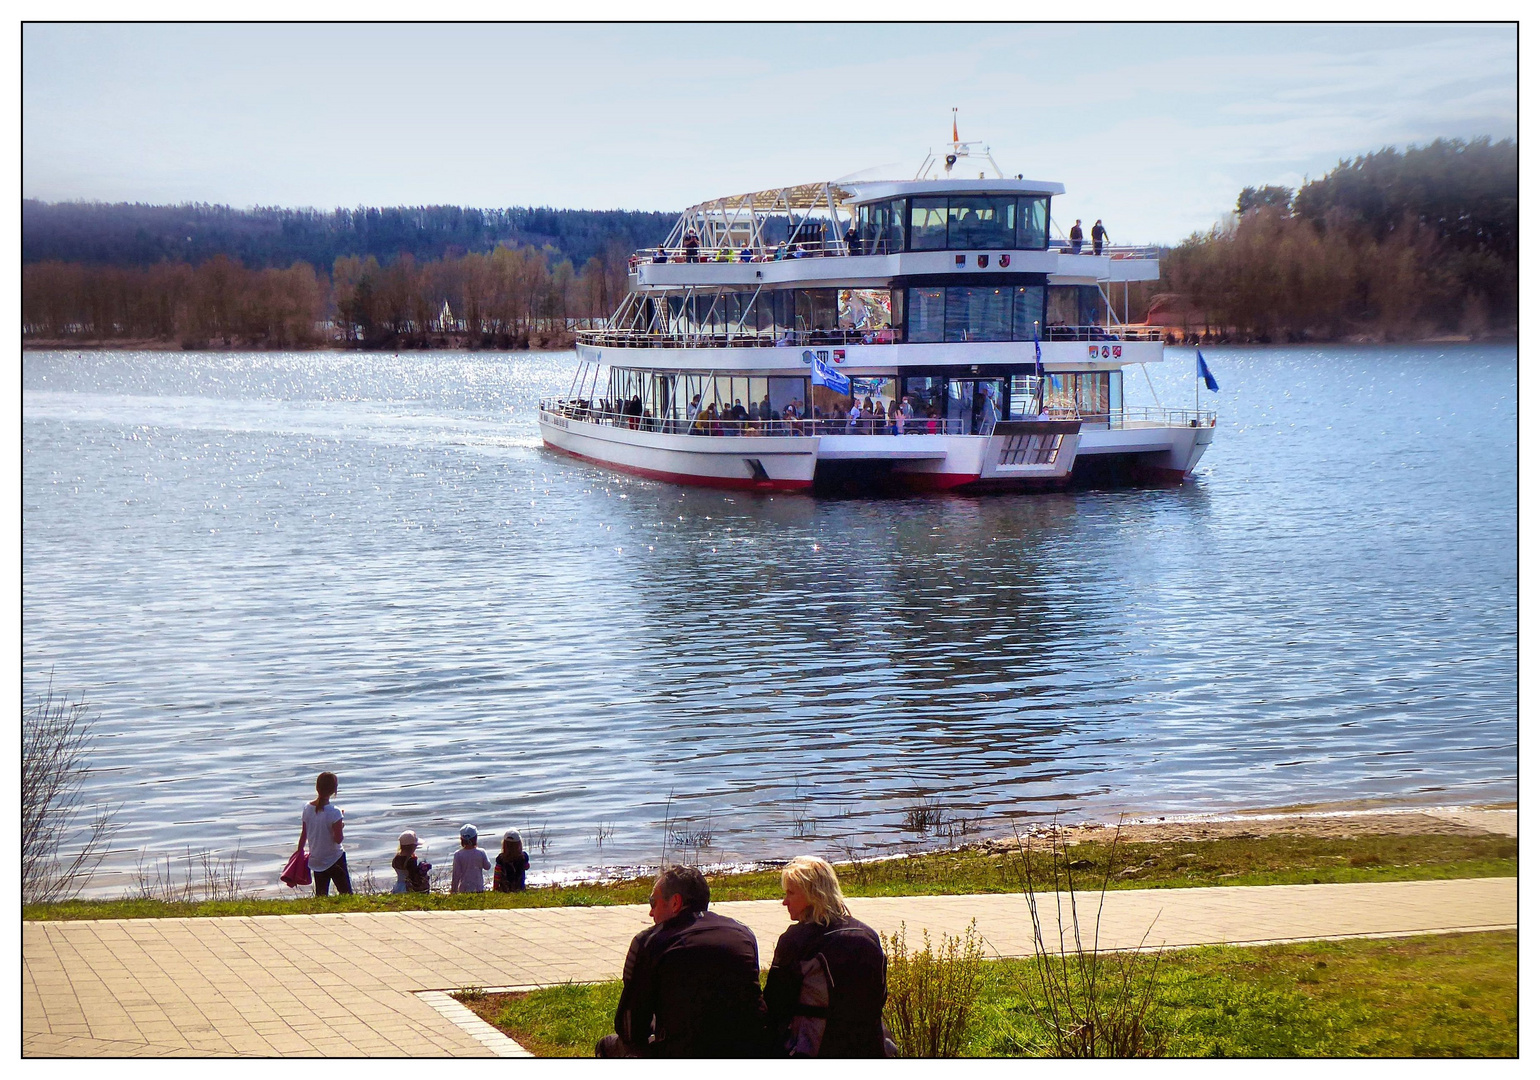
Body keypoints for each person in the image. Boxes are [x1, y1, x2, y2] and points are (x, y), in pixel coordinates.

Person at [596, 865, 766, 1058]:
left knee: (607, 1045)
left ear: (675, 902)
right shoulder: (743, 933)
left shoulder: (649, 942)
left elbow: (630, 1029)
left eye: (653, 902)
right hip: (748, 1050)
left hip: (683, 1053)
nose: (651, 913)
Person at [764, 856, 890, 1057]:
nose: (784, 901)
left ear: (813, 895)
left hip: (814, 1049)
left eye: (790, 893)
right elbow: (881, 995)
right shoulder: (867, 934)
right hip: (870, 1047)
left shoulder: (796, 941)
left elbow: (775, 1005)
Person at [295, 771, 351, 896]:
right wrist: (341, 825)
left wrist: (299, 853)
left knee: (321, 894)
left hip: (316, 859)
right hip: (335, 858)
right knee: (346, 893)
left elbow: (304, 834)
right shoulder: (335, 812)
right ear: (334, 790)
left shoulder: (307, 808)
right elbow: (338, 839)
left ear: (317, 787)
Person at [451, 824, 491, 893]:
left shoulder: (458, 854)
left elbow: (456, 874)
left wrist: (453, 890)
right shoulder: (481, 852)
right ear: (475, 838)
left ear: (461, 839)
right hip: (479, 888)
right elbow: (487, 867)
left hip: (464, 889)